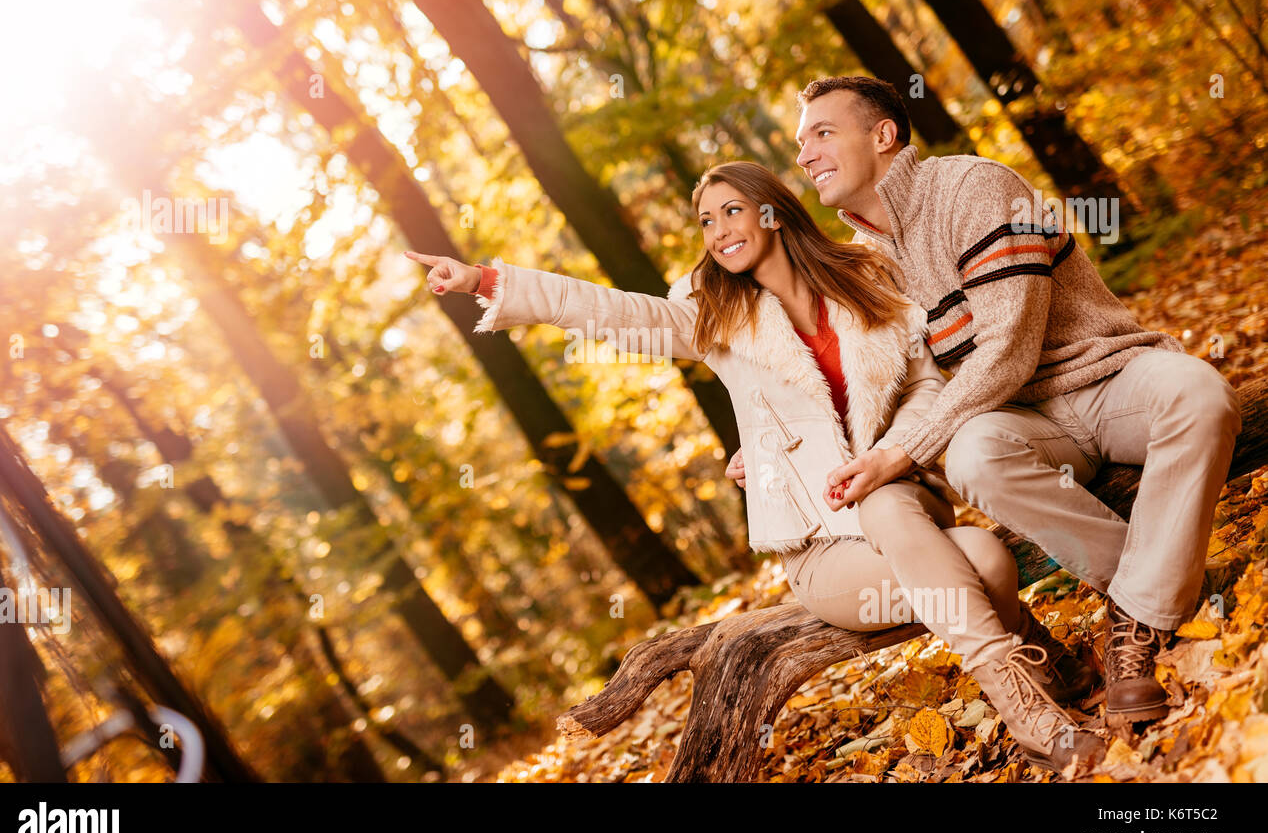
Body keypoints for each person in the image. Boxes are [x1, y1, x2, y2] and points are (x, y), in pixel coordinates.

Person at [405, 159, 1107, 776]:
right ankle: (1026, 701)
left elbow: (926, 381)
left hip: (904, 506)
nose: (717, 231)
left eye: (730, 211)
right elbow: (612, 311)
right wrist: (484, 278)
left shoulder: (867, 278)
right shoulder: (717, 315)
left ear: (773, 211)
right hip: (827, 554)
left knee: (956, 536)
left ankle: (1037, 683)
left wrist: (884, 452)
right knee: (978, 560)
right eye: (705, 220)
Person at [728, 74, 1241, 735]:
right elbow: (874, 386)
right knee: (973, 453)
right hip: (1018, 424)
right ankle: (1144, 599)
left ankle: (1135, 615)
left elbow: (1009, 348)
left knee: (1201, 393)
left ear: (883, 135)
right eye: (801, 144)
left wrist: (905, 450)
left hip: (1108, 377)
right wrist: (786, 440)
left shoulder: (974, 189)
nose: (804, 156)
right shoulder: (865, 266)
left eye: (822, 133)